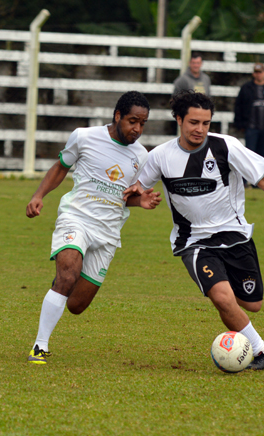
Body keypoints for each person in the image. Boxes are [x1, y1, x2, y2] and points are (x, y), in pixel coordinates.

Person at [126, 90, 264, 370]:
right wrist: (140, 200)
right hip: (193, 242)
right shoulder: (160, 157)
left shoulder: (226, 147)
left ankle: (233, 309)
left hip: (235, 237)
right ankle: (262, 352)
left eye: (205, 123)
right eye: (193, 122)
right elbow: (132, 193)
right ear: (179, 119)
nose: (199, 129)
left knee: (253, 304)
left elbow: (263, 179)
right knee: (222, 297)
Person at [26, 91, 161, 365]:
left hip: (108, 233)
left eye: (143, 123)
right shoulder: (84, 136)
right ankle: (39, 346)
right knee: (67, 274)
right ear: (117, 116)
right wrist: (39, 195)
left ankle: (60, 289)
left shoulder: (141, 156)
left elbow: (128, 196)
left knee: (76, 305)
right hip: (76, 218)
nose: (137, 129)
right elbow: (61, 166)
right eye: (133, 121)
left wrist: (141, 200)